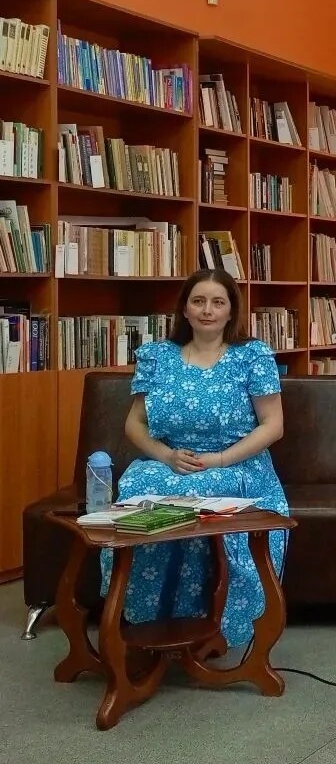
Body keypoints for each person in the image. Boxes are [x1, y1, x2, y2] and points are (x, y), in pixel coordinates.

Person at [98, 268, 290, 649]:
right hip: (173, 462)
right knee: (138, 484)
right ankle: (148, 620)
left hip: (235, 464)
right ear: (184, 309)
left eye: (218, 302)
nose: (207, 310)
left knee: (200, 490)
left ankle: (206, 620)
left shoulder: (252, 356)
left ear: (231, 310)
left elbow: (273, 425)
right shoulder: (158, 357)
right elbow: (134, 424)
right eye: (198, 301)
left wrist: (220, 459)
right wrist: (166, 455)